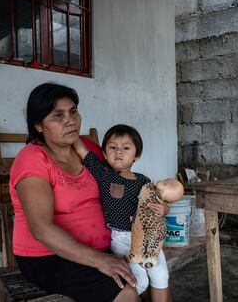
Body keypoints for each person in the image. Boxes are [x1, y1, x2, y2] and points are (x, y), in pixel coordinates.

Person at [9, 82, 140, 302]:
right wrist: (100, 260)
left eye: (73, 112)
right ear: (39, 125)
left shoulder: (87, 148)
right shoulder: (32, 160)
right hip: (47, 257)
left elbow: (120, 182)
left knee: (151, 274)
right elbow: (42, 229)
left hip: (105, 247)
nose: (70, 120)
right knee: (126, 291)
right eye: (58, 115)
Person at [73, 124, 184, 302]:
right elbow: (82, 151)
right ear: (104, 153)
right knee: (140, 281)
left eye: (126, 148)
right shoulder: (104, 175)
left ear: (136, 155)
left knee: (161, 276)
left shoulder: (145, 182)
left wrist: (165, 210)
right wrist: (72, 134)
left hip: (149, 238)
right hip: (122, 239)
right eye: (112, 147)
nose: (118, 152)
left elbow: (162, 204)